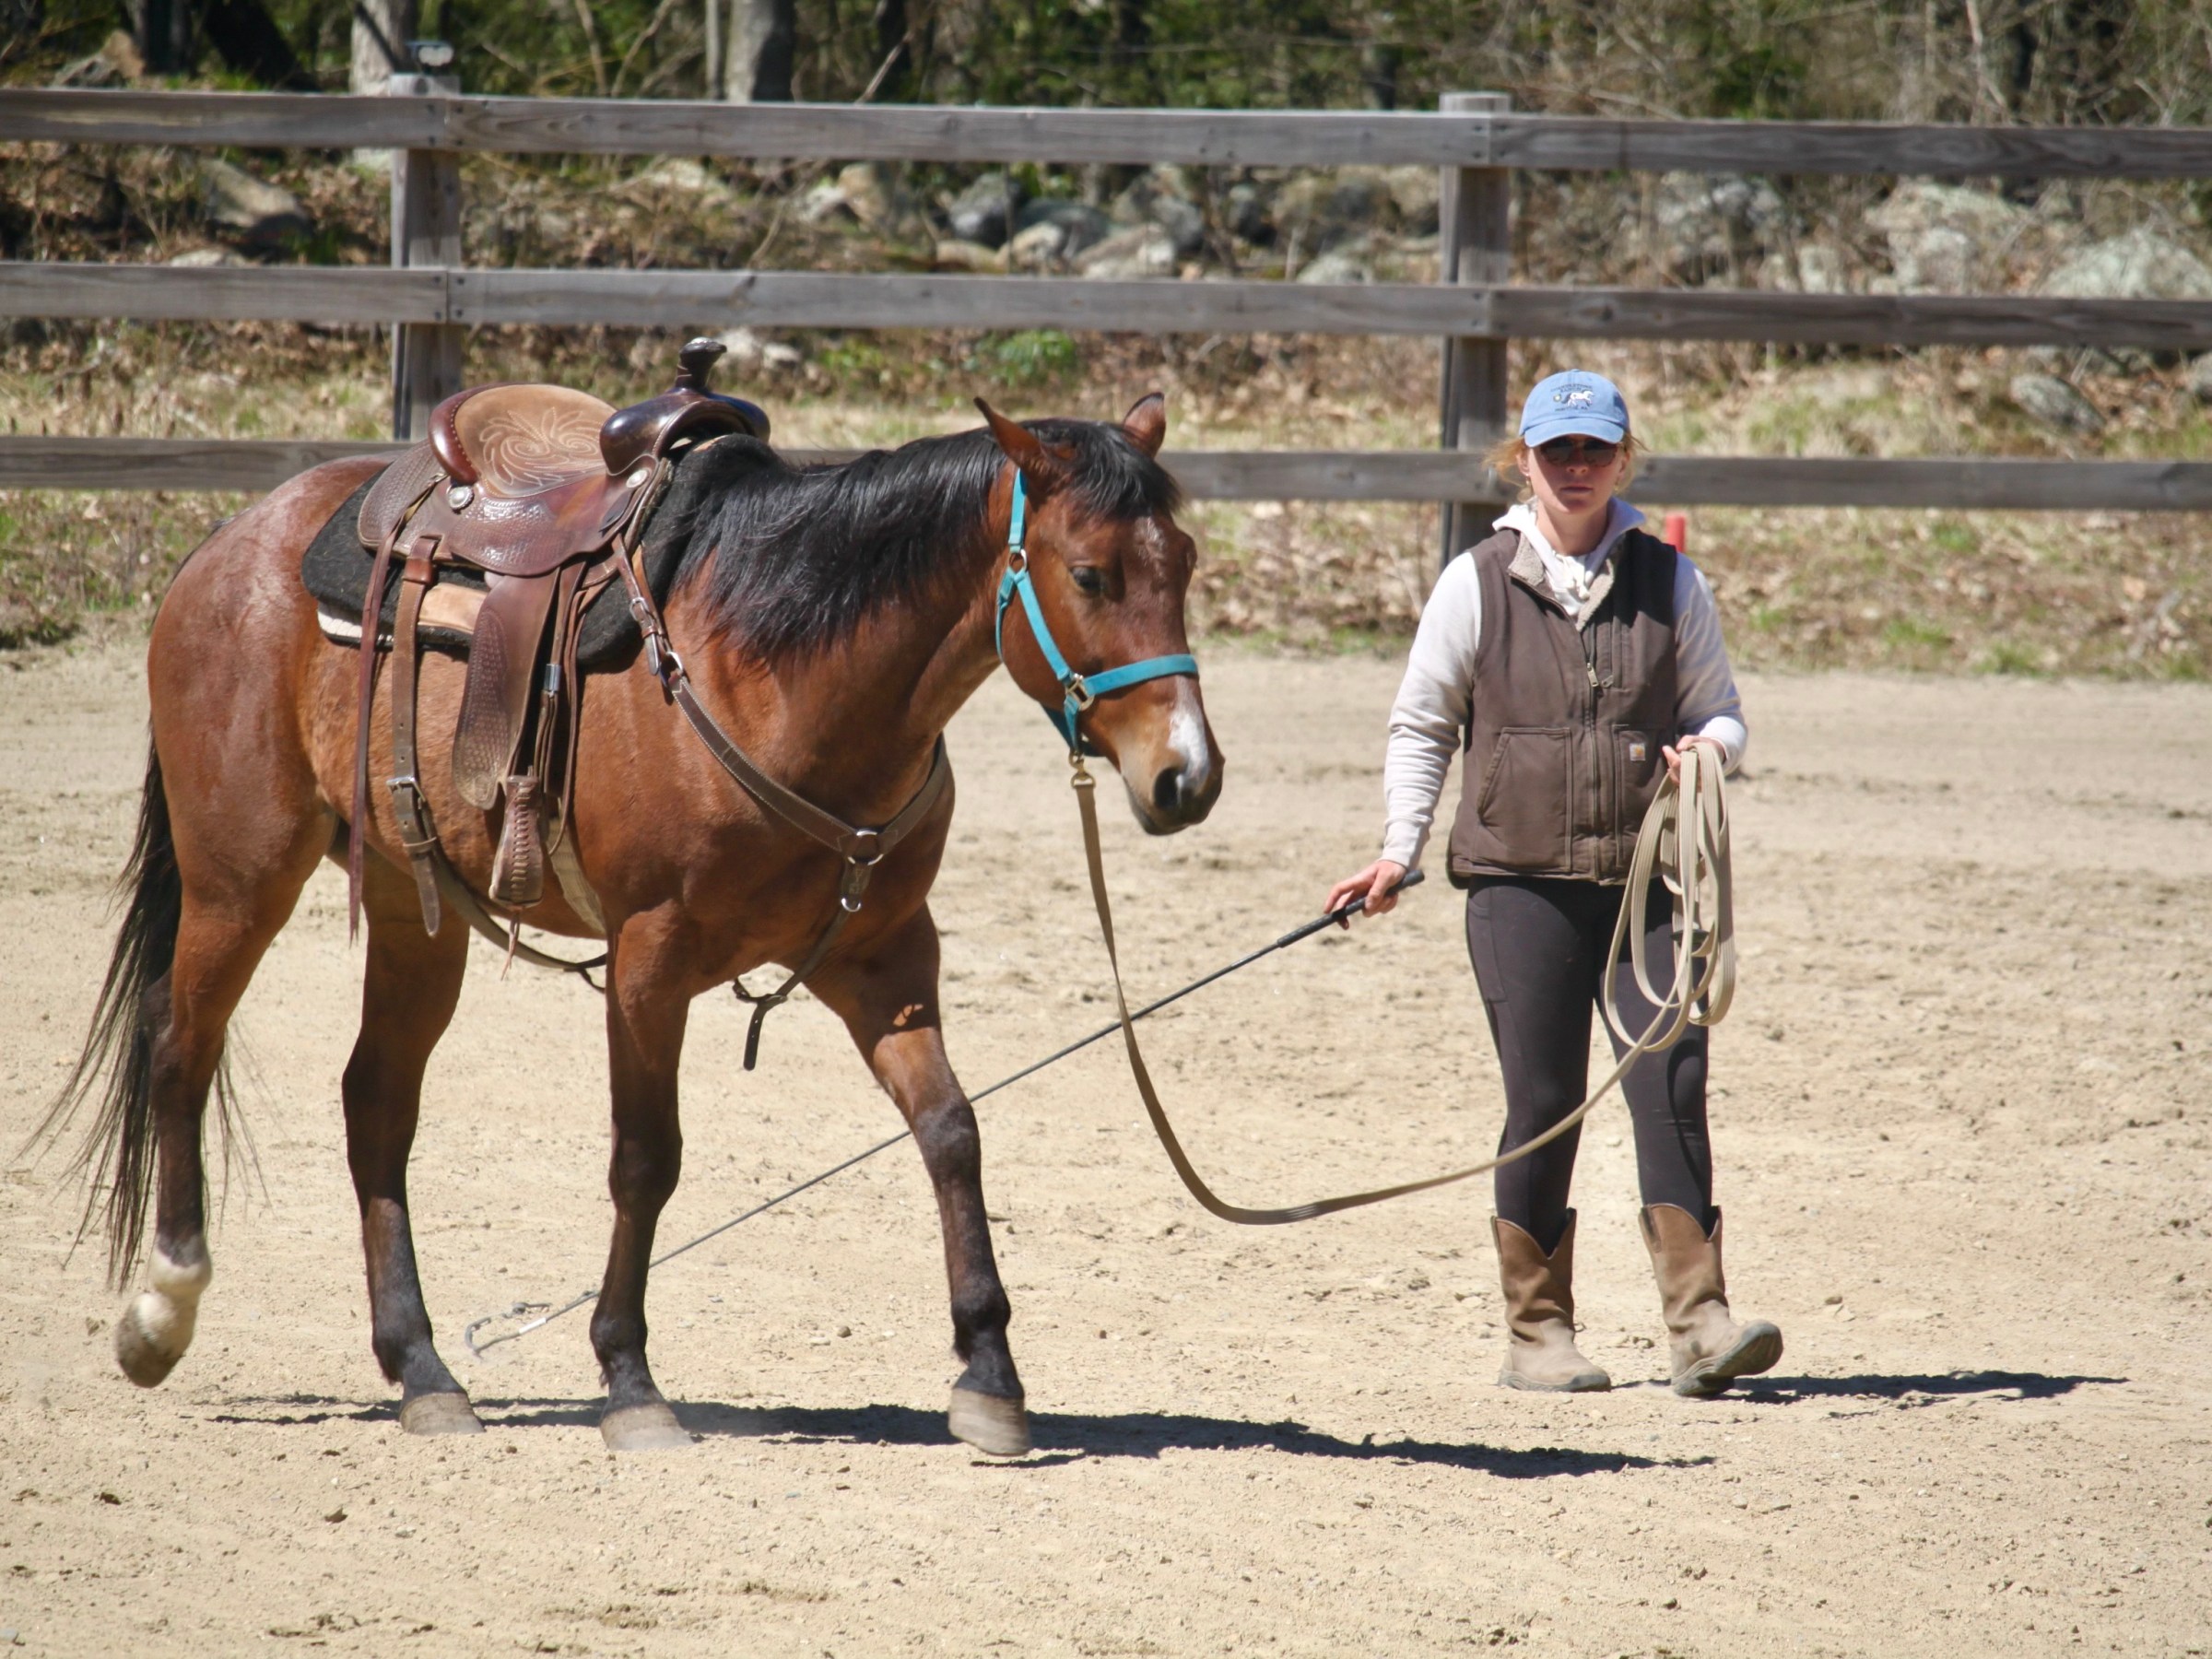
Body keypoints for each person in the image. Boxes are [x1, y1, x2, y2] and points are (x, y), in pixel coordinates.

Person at [1326, 370, 1783, 1398]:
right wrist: (1399, 850)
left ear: (1623, 460)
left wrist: (1707, 750)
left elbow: (1724, 710)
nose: (1575, 469)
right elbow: (1423, 723)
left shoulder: (1673, 582)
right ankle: (1539, 1334)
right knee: (1544, 1099)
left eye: (1595, 451)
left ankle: (1700, 1324)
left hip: (1645, 884)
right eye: (1556, 451)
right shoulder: (1475, 581)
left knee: (1671, 1080)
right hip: (1516, 884)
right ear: (1521, 460)